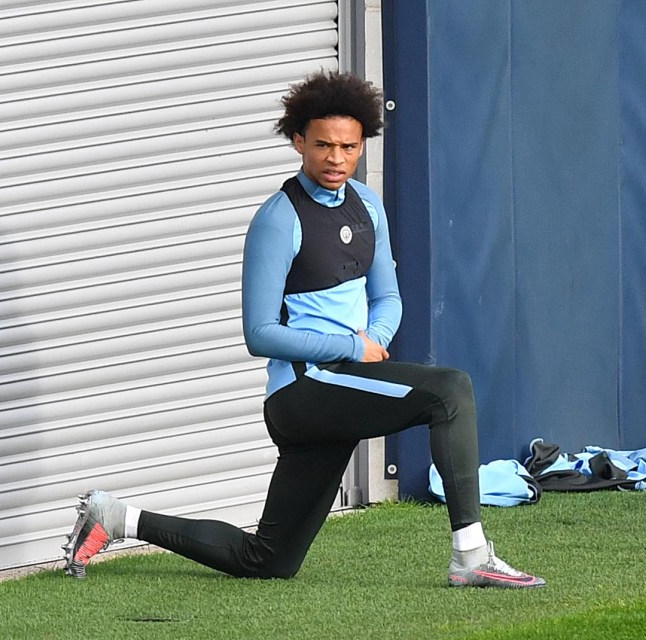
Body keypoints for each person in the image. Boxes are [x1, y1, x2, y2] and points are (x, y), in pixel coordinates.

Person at [62, 71, 545, 589]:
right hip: (302, 394)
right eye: (323, 145)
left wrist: (374, 338)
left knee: (268, 559)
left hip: (345, 382)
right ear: (298, 142)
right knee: (449, 390)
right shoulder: (278, 219)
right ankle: (471, 555)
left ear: (362, 146)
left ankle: (113, 516)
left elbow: (388, 297)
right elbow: (259, 333)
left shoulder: (368, 206)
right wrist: (347, 345)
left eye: (348, 146)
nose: (336, 158)